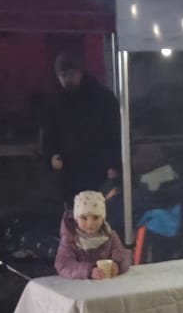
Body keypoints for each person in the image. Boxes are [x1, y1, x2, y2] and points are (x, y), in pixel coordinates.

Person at [41, 52, 122, 214]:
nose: (68, 79)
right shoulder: (54, 101)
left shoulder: (102, 97)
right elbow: (48, 133)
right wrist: (51, 156)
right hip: (70, 170)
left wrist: (115, 164)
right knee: (74, 214)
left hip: (99, 168)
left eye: (71, 74)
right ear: (57, 77)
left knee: (101, 212)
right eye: (63, 75)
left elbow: (116, 132)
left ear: (80, 73)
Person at [55, 190, 132, 279]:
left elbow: (123, 255)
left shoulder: (110, 236)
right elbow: (64, 264)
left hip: (107, 285)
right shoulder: (70, 239)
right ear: (76, 219)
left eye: (96, 217)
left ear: (103, 218)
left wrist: (117, 264)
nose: (90, 223)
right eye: (84, 218)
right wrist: (89, 271)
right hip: (79, 286)